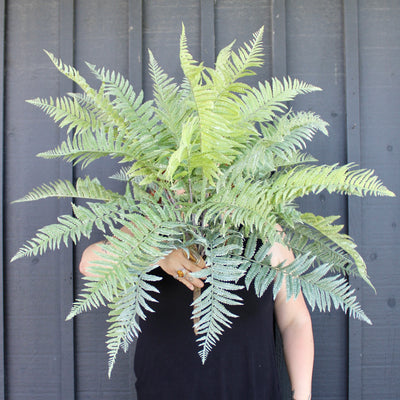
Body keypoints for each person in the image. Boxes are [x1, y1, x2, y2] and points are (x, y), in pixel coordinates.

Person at [80, 226, 314, 400]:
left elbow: (295, 320)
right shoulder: (153, 226)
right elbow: (89, 264)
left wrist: (302, 396)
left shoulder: (263, 230)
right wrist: (158, 252)